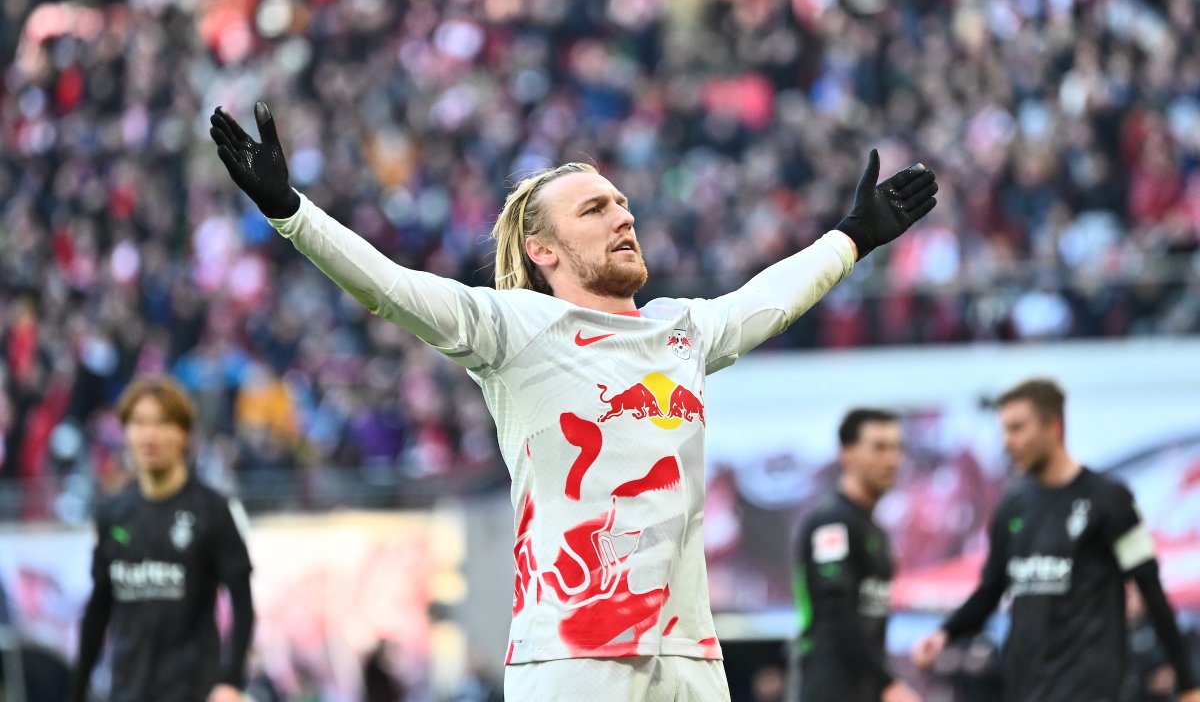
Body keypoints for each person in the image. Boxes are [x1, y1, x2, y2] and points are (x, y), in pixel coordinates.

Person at [208, 102, 937, 700]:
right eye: (595, 210)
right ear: (543, 251)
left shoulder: (679, 331)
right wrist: (290, 211)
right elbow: (391, 289)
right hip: (574, 651)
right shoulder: (512, 329)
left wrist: (853, 237)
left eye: (623, 204)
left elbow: (767, 299)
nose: (623, 217)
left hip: (690, 653)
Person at [910, 378, 1200, 702]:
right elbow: (991, 589)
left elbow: (1150, 587)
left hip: (1090, 687)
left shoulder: (1109, 500)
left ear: (1054, 426)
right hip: (1026, 684)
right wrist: (947, 633)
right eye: (1004, 430)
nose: (1008, 442)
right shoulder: (1013, 505)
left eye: (1018, 428)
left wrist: (1188, 684)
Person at [70, 376, 255, 702]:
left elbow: (242, 604)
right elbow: (98, 609)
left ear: (183, 434)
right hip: (128, 692)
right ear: (125, 432)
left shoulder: (212, 510)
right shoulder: (113, 514)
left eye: (162, 422)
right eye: (138, 422)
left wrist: (231, 681)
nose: (149, 434)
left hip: (194, 691)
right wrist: (77, 691)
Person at [791, 409, 921, 702]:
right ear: (847, 454)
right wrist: (890, 684)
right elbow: (837, 614)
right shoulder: (831, 524)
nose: (892, 459)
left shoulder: (875, 529)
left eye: (897, 448)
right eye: (879, 447)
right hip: (829, 689)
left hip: (865, 689)